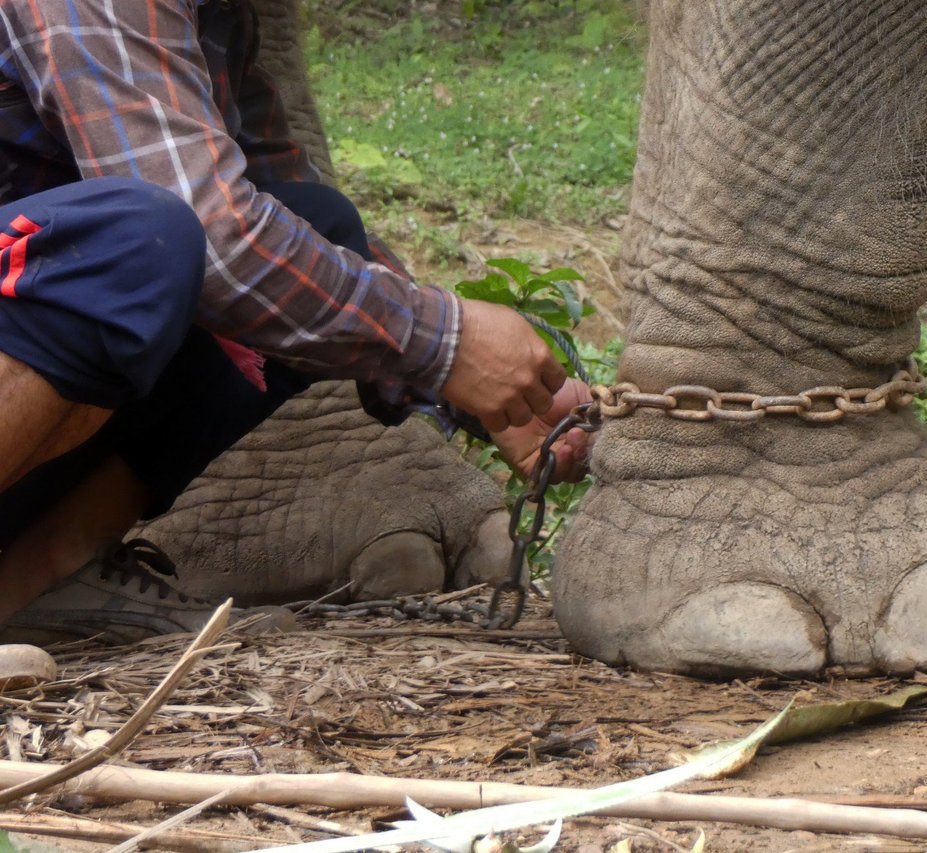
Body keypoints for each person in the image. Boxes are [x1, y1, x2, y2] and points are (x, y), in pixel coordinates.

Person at [0, 0, 592, 648]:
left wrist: (483, 388)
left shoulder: (219, 15)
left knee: (314, 223)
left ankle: (39, 577)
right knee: (142, 243)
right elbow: (218, 236)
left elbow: (281, 214)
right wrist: (446, 344)